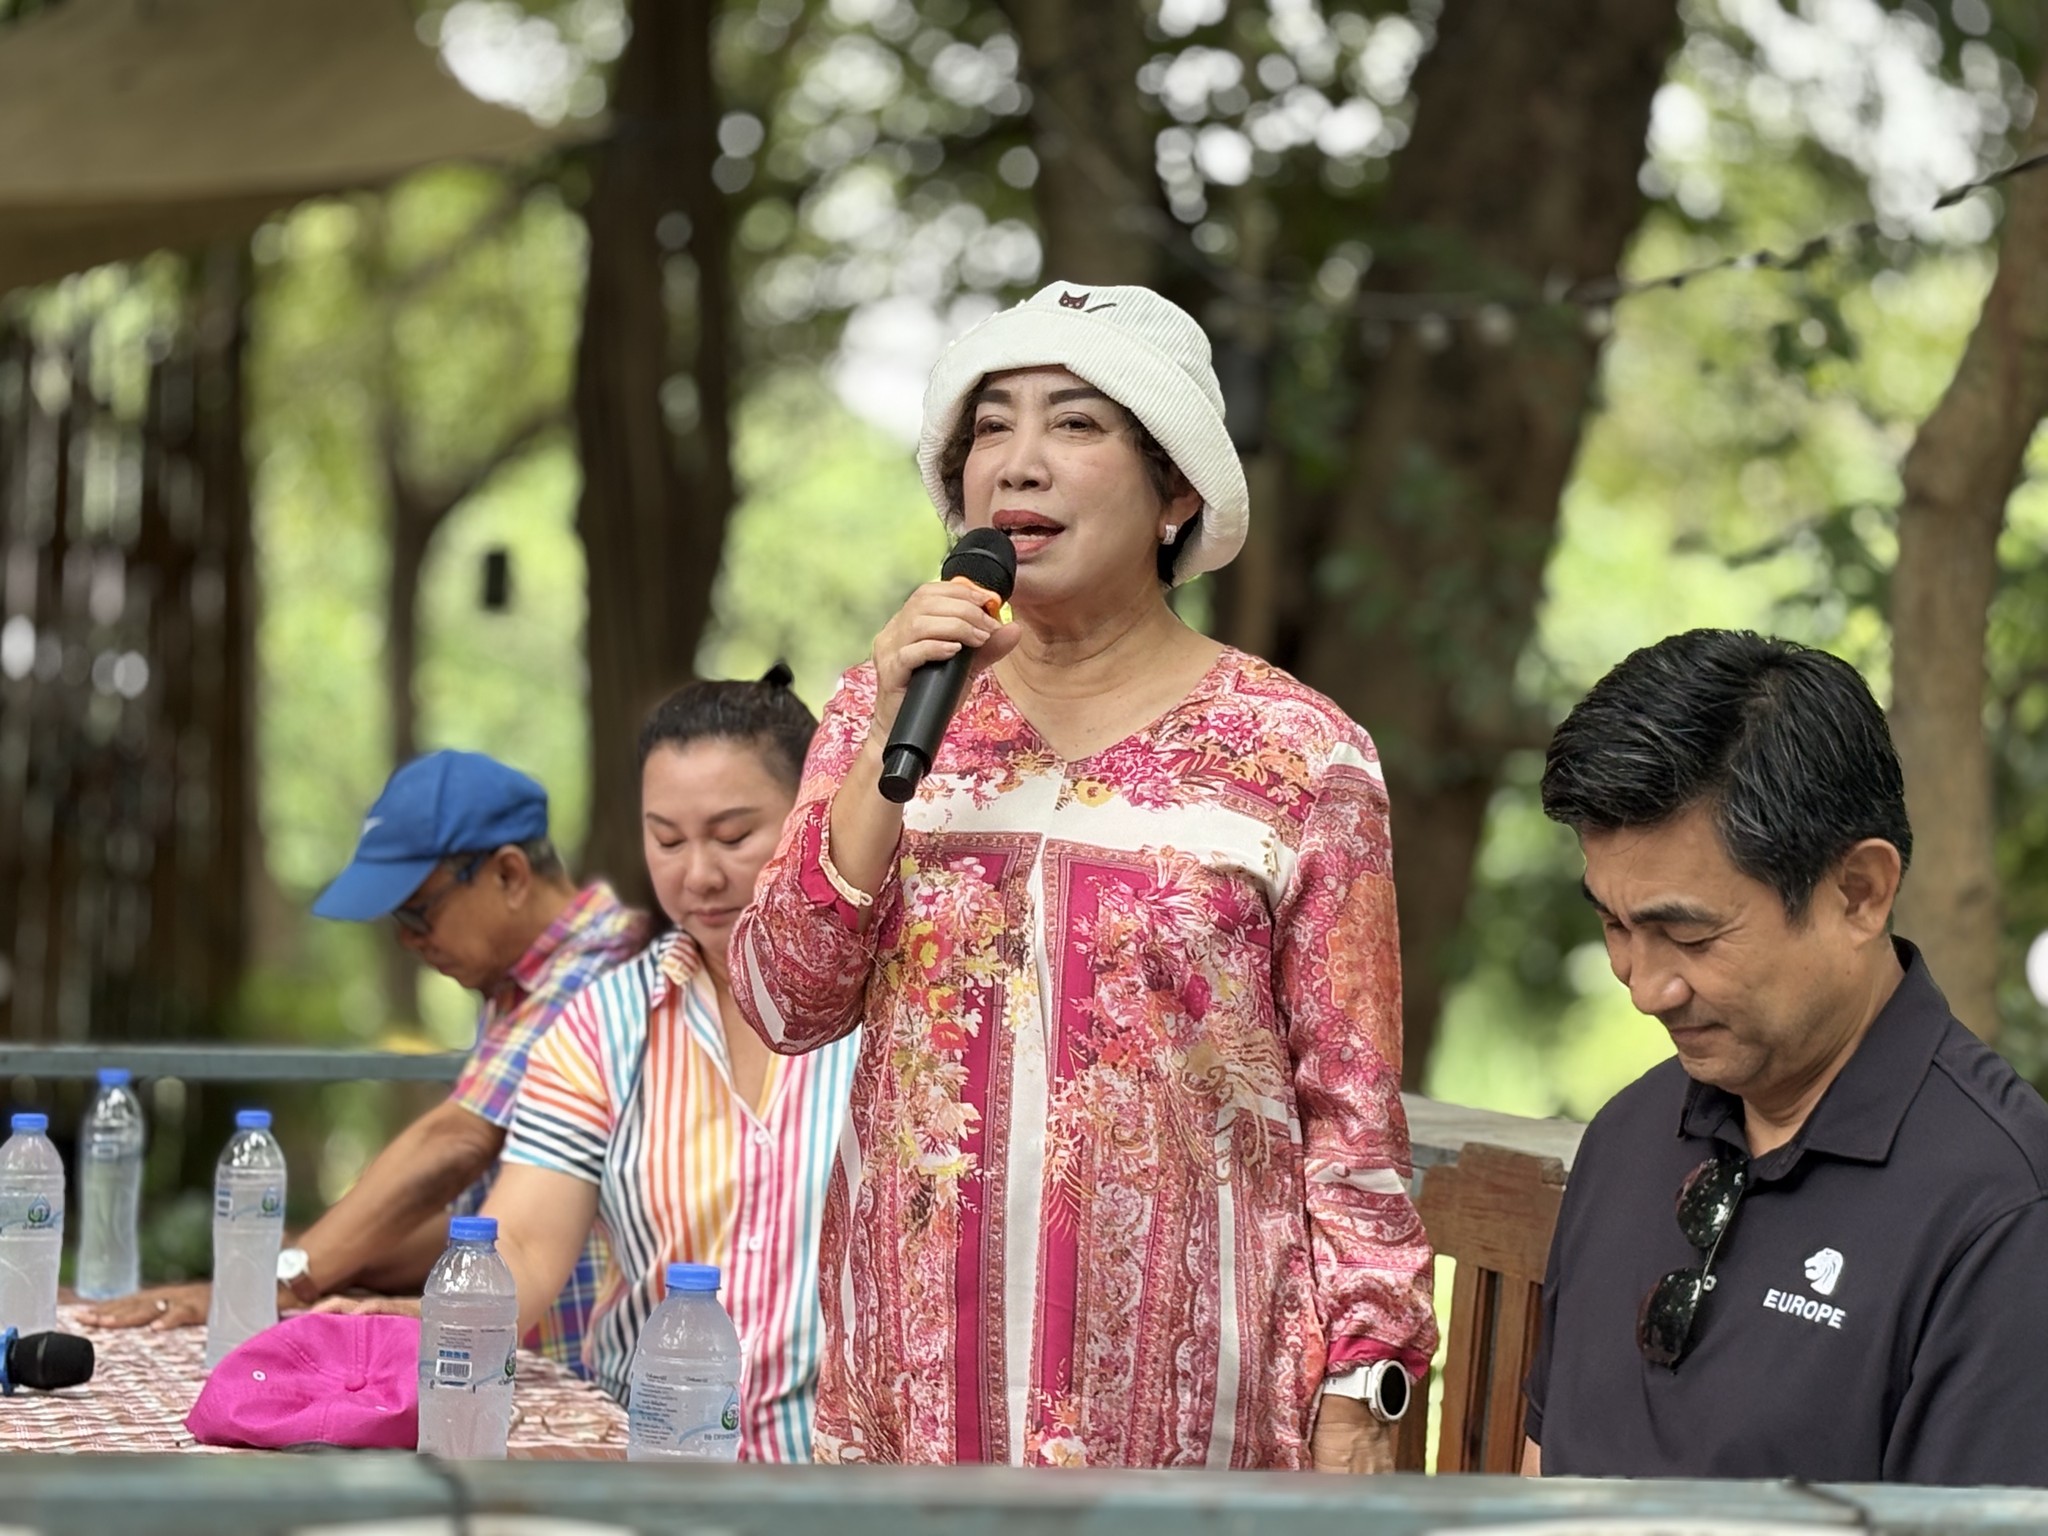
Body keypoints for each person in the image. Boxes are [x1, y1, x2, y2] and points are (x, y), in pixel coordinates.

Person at [729, 281, 1436, 1471]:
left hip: (1189, 1426)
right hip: (914, 1415)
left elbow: (1351, 1114)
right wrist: (887, 736)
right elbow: (779, 1001)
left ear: (1175, 492)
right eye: (989, 427)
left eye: (1074, 423)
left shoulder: (1301, 754)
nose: (1019, 461)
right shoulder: (878, 710)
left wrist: (1367, 1388)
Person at [1523, 628, 2048, 1486]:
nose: (1645, 987)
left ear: (1859, 893)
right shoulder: (1629, 1133)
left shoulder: (2002, 1214)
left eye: (1688, 935)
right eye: (1615, 924)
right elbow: (1539, 1471)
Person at [324, 671, 857, 1460]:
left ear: (814, 813)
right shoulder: (601, 1023)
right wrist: (424, 1316)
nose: (698, 875)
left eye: (733, 836)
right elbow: (524, 1244)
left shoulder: (897, 1012)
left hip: (847, 1481)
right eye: (667, 840)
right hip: (652, 1469)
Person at [85, 750, 647, 1375]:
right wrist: (294, 1258)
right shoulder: (515, 988)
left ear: (510, 875)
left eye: (418, 910)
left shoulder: (600, 970)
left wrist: (280, 1280)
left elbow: (456, 1142)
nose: (408, 939)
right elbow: (479, 1223)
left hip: (598, 1381)